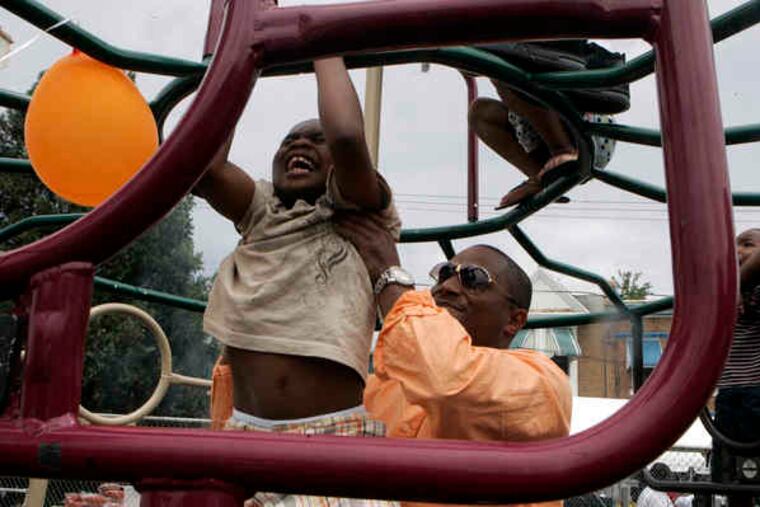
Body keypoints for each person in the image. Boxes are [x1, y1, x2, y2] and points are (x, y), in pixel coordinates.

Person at [195, 57, 400, 506]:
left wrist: (322, 48)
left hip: (330, 439)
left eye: (314, 139)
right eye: (289, 140)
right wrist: (238, 63)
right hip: (244, 435)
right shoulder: (261, 212)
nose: (299, 145)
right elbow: (205, 168)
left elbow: (347, 137)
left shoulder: (357, 208)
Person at [335, 213, 573, 507]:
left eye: (473, 278)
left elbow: (445, 375)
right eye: (445, 273)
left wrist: (389, 275)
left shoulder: (542, 383)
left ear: (514, 319)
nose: (447, 286)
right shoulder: (386, 385)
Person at [469, 81, 616, 209]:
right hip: (543, 130)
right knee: (481, 112)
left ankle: (562, 150)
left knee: (505, 74)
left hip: (585, 130)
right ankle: (541, 178)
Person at [710, 228, 760, 503]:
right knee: (730, 478)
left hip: (757, 391)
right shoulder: (722, 292)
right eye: (734, 246)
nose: (738, 250)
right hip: (728, 395)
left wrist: (740, 284)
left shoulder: (752, 290)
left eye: (747, 244)